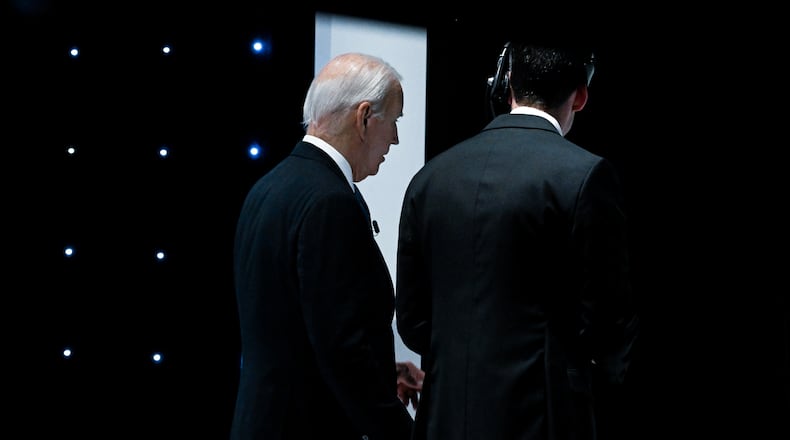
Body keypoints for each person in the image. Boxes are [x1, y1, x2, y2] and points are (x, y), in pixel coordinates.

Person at [394, 41, 640, 439]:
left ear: (506, 86)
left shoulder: (430, 177)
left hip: (443, 416)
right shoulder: (586, 175)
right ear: (580, 97)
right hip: (542, 418)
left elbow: (413, 321)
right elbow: (609, 321)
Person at [230, 52, 423, 440]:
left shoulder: (268, 186)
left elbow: (296, 327)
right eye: (395, 122)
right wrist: (402, 432)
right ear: (365, 117)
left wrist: (386, 371)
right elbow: (341, 349)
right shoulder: (330, 201)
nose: (397, 139)